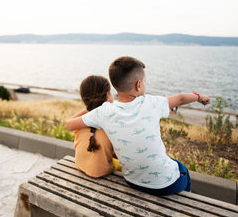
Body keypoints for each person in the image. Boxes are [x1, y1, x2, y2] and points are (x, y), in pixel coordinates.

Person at [66, 56, 211, 196]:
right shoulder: (151, 102)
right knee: (182, 168)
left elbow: (70, 125)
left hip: (133, 181)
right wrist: (199, 97)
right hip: (165, 185)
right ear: (138, 85)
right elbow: (180, 98)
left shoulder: (103, 112)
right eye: (145, 81)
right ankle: (187, 199)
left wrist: (92, 109)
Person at [72, 75, 122, 178]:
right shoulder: (112, 123)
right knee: (121, 164)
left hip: (80, 164)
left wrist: (90, 108)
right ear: (107, 96)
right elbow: (117, 154)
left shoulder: (79, 122)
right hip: (102, 171)